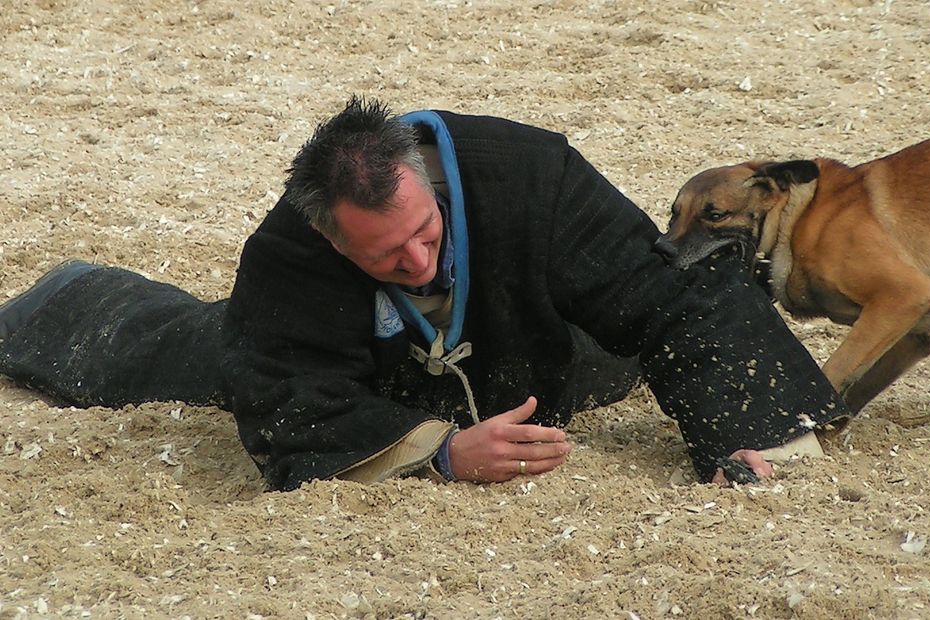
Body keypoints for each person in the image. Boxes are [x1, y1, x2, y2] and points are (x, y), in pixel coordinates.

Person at [0, 97, 846, 491]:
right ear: (334, 240)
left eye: (425, 235)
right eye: (386, 256)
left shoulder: (529, 173)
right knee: (171, 350)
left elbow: (672, 289)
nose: (415, 260)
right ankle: (61, 294)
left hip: (532, 347)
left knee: (644, 331)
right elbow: (290, 404)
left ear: (427, 182)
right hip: (379, 380)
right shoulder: (291, 257)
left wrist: (751, 436)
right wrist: (440, 452)